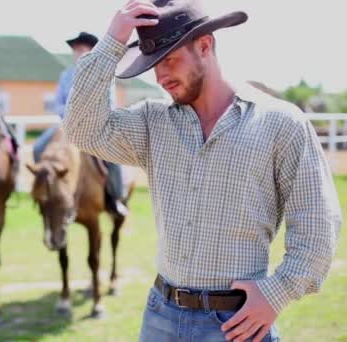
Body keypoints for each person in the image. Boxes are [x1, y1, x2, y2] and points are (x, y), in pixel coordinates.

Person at [62, 1, 342, 341]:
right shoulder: (153, 122)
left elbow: (317, 225)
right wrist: (111, 43)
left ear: (205, 45)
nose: (160, 76)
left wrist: (276, 294)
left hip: (236, 324)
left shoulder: (281, 124)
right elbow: (80, 128)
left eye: (169, 59)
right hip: (160, 319)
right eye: (152, 65)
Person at [34, 31, 128, 216]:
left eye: (82, 49)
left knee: (112, 158)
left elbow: (110, 103)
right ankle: (46, 188)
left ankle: (116, 198)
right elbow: (58, 103)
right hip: (66, 126)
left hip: (94, 127)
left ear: (92, 51)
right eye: (76, 50)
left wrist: (87, 115)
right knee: (38, 148)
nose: (78, 53)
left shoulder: (104, 74)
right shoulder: (65, 75)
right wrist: (70, 114)